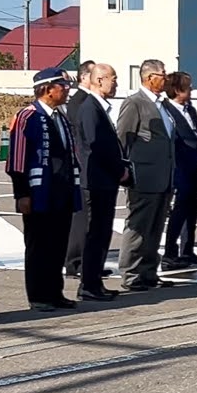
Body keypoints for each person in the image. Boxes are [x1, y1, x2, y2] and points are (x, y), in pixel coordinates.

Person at [9, 67, 81, 310]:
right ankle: (38, 295)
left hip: (62, 190)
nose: (67, 90)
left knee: (58, 243)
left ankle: (54, 291)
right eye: (63, 86)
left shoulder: (60, 116)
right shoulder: (27, 116)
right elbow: (17, 159)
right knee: (39, 244)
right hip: (39, 192)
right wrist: (22, 193)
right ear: (48, 89)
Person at [65, 61, 126, 302]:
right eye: (113, 78)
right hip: (96, 181)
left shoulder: (99, 107)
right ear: (99, 80)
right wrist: (118, 168)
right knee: (95, 233)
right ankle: (89, 284)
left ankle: (94, 282)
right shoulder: (90, 107)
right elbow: (94, 145)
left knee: (101, 233)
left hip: (104, 180)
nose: (116, 83)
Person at [114, 59, 177, 292]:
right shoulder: (135, 103)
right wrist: (124, 169)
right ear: (150, 77)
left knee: (155, 227)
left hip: (164, 175)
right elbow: (123, 138)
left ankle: (149, 272)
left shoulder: (164, 105)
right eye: (163, 74)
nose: (166, 78)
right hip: (144, 175)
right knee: (138, 226)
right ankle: (131, 273)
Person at [162, 71, 197, 267]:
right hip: (181, 168)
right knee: (179, 210)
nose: (191, 90)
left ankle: (187, 249)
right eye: (188, 87)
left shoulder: (189, 109)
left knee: (192, 210)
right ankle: (170, 252)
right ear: (176, 89)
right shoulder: (166, 110)